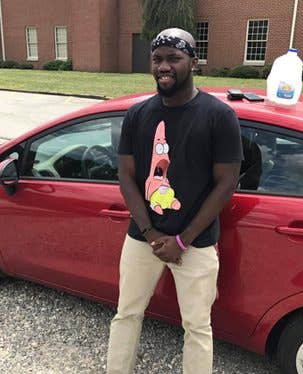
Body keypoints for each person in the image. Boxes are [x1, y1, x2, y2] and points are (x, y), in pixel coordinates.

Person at [106, 28, 243, 373]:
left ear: (194, 63)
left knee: (197, 327)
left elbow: (226, 183)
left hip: (195, 244)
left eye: (173, 58)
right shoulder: (137, 115)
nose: (163, 66)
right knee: (126, 314)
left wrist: (182, 240)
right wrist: (151, 233)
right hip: (143, 238)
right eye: (157, 58)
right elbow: (126, 175)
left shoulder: (218, 116)